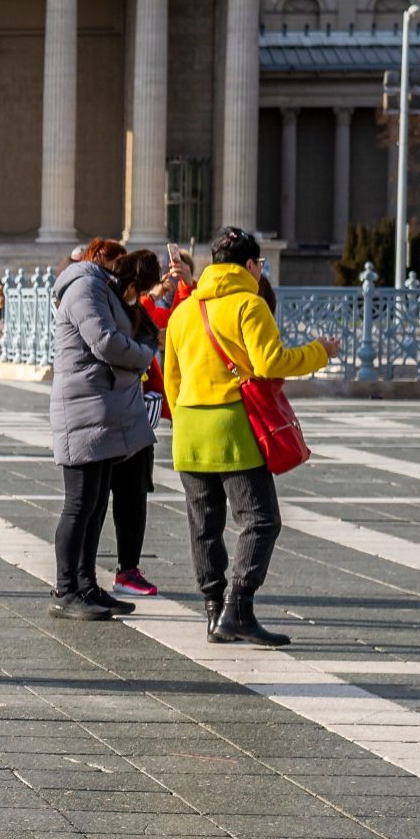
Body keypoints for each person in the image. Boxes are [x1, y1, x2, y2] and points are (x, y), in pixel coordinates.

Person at [165, 227, 339, 648]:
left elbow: (172, 377)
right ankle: (238, 608)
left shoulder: (184, 310)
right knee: (260, 520)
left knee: (204, 526)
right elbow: (270, 363)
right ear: (249, 265)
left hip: (189, 428)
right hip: (233, 428)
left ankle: (213, 611)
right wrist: (319, 351)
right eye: (260, 264)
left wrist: (185, 417)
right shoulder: (249, 304)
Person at [46, 239, 159, 622]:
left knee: (94, 505)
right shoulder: (83, 287)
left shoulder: (102, 289)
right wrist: (143, 357)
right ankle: (65, 589)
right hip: (82, 409)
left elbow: (128, 332)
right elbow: (106, 343)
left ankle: (86, 583)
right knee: (78, 505)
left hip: (102, 409)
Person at [107, 250, 170, 599]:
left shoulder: (133, 306)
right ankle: (81, 574)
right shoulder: (106, 305)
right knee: (96, 499)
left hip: (138, 412)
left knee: (132, 496)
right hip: (114, 411)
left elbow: (163, 326)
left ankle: (127, 569)